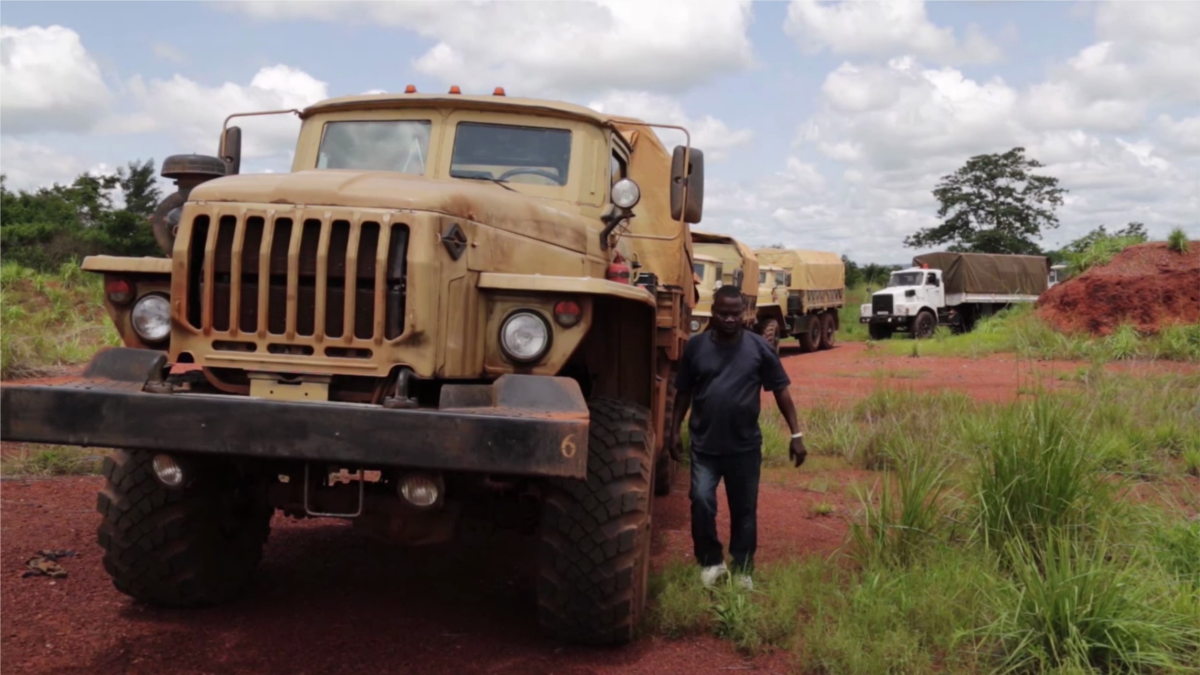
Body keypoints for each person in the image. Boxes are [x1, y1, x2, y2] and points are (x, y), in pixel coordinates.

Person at [668, 284, 807, 590]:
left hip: (744, 447)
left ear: (744, 314)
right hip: (704, 445)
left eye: (735, 313)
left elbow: (781, 391)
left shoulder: (759, 348)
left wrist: (796, 434)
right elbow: (684, 392)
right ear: (713, 312)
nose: (729, 319)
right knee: (702, 502)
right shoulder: (696, 347)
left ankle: (743, 567)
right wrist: (674, 428)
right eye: (722, 313)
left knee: (744, 509)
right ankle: (711, 562)